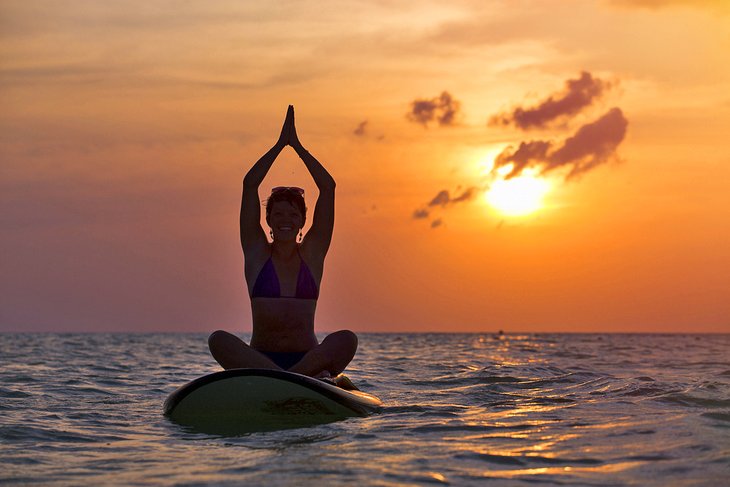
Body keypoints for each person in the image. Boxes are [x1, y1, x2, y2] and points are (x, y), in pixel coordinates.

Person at [208, 106, 357, 379]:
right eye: (278, 214)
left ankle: (293, 377)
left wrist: (298, 148)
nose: (285, 220)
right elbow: (250, 185)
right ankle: (291, 378)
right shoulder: (256, 254)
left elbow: (328, 187)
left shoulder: (312, 254)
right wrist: (279, 146)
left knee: (347, 339)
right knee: (217, 339)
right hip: (262, 360)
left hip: (306, 359)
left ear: (302, 221)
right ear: (267, 220)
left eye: (292, 214)